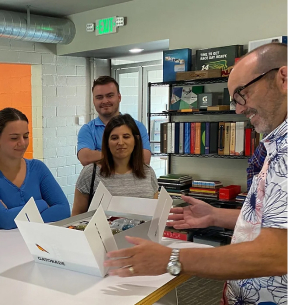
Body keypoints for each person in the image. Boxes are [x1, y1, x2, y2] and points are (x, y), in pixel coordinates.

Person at [103, 43, 287, 304]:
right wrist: (215, 215)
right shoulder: (275, 144)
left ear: (283, 78)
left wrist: (171, 259)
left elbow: (277, 253)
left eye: (242, 94)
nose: (239, 109)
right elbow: (272, 221)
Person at [0, 108, 71, 233]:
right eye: (14, 138)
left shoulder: (38, 168)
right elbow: (5, 220)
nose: (22, 143)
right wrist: (41, 204)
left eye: (25, 136)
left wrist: (14, 215)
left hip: (36, 246)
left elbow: (63, 210)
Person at [72, 114, 158, 215]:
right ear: (107, 143)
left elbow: (154, 215)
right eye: (114, 138)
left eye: (126, 137)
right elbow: (76, 216)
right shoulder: (90, 173)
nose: (120, 142)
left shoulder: (148, 173)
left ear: (135, 140)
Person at [77, 76, 151, 166]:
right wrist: (125, 154)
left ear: (119, 97)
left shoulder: (137, 127)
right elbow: (85, 158)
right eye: (99, 97)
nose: (105, 101)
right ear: (94, 101)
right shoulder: (87, 130)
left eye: (110, 96)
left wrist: (99, 155)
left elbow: (144, 159)